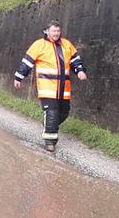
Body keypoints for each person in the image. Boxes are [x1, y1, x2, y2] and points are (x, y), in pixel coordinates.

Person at [13, 20, 87, 152]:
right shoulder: (39, 45)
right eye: (54, 31)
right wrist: (19, 77)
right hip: (47, 88)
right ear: (47, 32)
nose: (56, 33)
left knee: (64, 112)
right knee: (52, 113)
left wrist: (80, 71)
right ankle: (50, 142)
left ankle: (49, 125)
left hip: (64, 89)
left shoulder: (66, 44)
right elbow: (27, 63)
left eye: (58, 31)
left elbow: (75, 60)